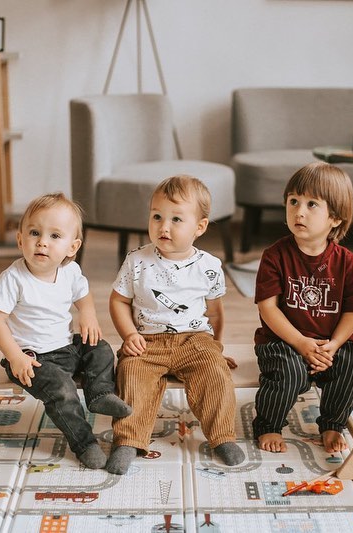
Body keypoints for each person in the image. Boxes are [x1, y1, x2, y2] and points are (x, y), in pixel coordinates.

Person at [107, 175, 246, 474]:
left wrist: (217, 349)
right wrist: (129, 334)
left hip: (194, 339)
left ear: (200, 227)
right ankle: (128, 440)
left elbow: (216, 313)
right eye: (156, 216)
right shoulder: (137, 260)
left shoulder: (209, 266)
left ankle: (222, 436)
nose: (163, 226)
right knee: (131, 376)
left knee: (216, 376)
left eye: (176, 219)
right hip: (148, 340)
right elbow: (118, 301)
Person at [0, 193, 132, 469]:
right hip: (32, 358)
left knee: (99, 347)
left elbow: (83, 295)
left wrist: (87, 314)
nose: (42, 241)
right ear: (20, 240)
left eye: (55, 236)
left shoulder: (70, 271)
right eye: (34, 233)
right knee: (62, 390)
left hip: (65, 346)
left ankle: (99, 394)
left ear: (72, 247)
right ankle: (84, 443)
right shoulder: (13, 279)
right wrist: (15, 356)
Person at [252, 162, 353, 454]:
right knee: (289, 373)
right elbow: (268, 309)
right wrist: (301, 343)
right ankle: (268, 424)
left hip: (329, 344)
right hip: (283, 342)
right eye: (293, 201)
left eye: (311, 204)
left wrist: (333, 345)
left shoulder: (346, 261)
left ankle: (332, 423)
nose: (298, 211)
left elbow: (352, 311)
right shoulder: (274, 256)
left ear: (335, 218)